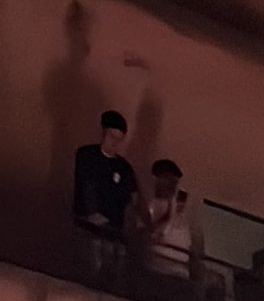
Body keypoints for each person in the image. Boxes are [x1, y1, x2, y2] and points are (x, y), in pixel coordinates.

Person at [72, 109, 139, 279]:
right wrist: (93, 214)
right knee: (91, 266)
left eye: (119, 139)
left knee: (114, 271)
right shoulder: (87, 155)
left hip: (113, 233)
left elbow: (133, 199)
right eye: (112, 136)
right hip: (88, 228)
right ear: (103, 132)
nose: (114, 143)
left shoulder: (124, 168)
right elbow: (86, 186)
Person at [142, 157, 194, 282]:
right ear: (157, 180)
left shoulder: (179, 212)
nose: (172, 185)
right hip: (156, 273)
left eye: (174, 182)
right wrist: (162, 221)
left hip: (180, 275)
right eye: (168, 180)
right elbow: (142, 238)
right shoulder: (149, 209)